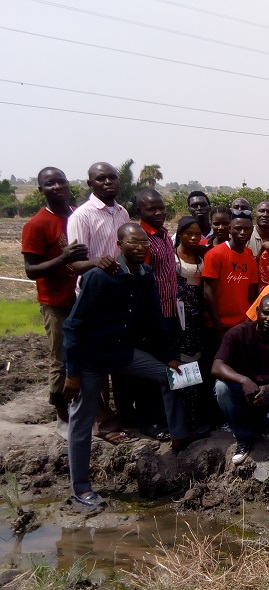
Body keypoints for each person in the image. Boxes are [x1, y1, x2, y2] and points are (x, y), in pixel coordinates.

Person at [62, 224, 197, 508]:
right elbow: (73, 326)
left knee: (169, 376)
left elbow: (155, 317)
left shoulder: (145, 275)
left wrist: (169, 356)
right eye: (133, 242)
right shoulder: (99, 276)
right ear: (119, 244)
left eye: (144, 243)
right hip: (91, 357)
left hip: (122, 352)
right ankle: (81, 488)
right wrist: (72, 373)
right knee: (81, 421)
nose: (140, 247)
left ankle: (179, 438)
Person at [66, 162, 132, 442]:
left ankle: (120, 415)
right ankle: (102, 420)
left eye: (112, 178)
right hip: (93, 296)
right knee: (95, 364)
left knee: (118, 356)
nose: (108, 182)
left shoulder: (122, 212)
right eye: (101, 178)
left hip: (120, 296)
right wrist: (98, 262)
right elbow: (75, 263)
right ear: (90, 183)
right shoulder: (82, 216)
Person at [22, 167, 87, 436]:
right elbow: (30, 269)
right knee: (61, 358)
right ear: (41, 190)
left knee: (86, 356)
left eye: (61, 181)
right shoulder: (37, 224)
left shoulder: (77, 214)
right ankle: (62, 415)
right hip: (55, 301)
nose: (57, 187)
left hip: (82, 298)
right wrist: (63, 258)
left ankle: (90, 410)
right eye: (50, 184)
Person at [212, 294, 269, 466]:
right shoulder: (238, 333)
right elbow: (217, 366)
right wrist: (243, 380)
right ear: (257, 311)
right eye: (266, 313)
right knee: (221, 388)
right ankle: (243, 439)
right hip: (245, 391)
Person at [136, 189, 180, 439]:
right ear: (139, 211)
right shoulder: (143, 239)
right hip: (153, 317)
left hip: (170, 311)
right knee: (152, 371)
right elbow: (143, 280)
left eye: (161, 207)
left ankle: (167, 417)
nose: (159, 212)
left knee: (168, 366)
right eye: (152, 209)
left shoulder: (163, 234)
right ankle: (149, 421)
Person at [174, 216, 211, 432]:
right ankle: (184, 421)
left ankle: (197, 418)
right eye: (189, 234)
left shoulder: (201, 255)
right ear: (180, 234)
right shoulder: (172, 258)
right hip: (180, 320)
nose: (194, 237)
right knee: (182, 368)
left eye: (198, 234)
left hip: (199, 317)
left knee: (198, 367)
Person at [202, 211, 259, 340]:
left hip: (242, 324)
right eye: (238, 228)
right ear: (230, 229)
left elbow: (251, 295)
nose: (243, 232)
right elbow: (207, 292)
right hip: (219, 325)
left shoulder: (249, 255)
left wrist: (248, 323)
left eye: (247, 229)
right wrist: (218, 327)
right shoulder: (215, 254)